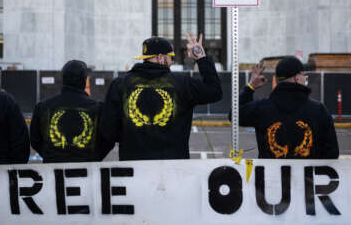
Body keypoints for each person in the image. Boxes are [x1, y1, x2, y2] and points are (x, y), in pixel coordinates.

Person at [100, 33, 223, 161]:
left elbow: (107, 130)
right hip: (174, 167)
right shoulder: (183, 83)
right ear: (160, 58)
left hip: (133, 167)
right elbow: (214, 91)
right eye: (171, 57)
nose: (172, 62)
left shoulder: (119, 84)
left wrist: (132, 138)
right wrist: (201, 58)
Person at [237, 56, 339, 159]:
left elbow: (235, 115)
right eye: (304, 76)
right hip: (307, 174)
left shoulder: (262, 108)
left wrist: (250, 87)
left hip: (271, 174)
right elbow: (332, 153)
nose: (305, 79)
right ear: (297, 78)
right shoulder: (319, 110)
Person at [30, 60, 113, 163]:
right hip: (88, 171)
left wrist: (51, 156)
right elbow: (109, 138)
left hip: (53, 171)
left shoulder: (43, 107)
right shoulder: (98, 108)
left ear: (63, 79)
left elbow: (34, 139)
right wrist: (94, 157)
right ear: (84, 80)